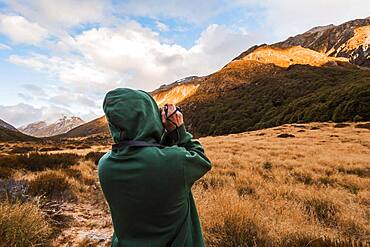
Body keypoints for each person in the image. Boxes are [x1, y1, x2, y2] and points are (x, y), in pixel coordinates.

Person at [98, 88, 212, 247]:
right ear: (147, 117)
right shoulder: (176, 161)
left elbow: (153, 157)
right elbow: (201, 159)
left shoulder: (104, 165)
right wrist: (178, 130)